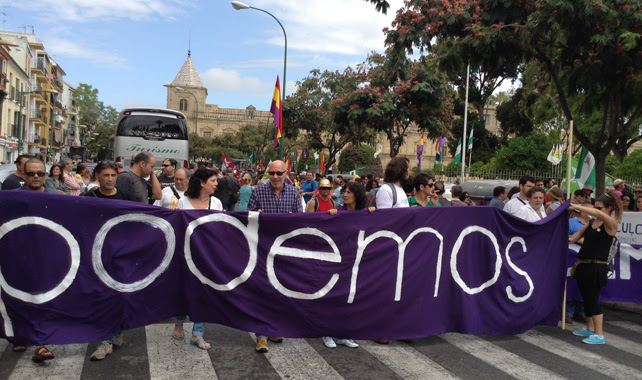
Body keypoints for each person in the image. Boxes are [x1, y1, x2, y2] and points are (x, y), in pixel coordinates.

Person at [246, 160, 302, 352]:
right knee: (262, 292)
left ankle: (274, 327)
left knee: (280, 292)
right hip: (261, 251)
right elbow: (248, 218)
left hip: (284, 254)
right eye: (272, 173)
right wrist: (255, 216)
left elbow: (301, 222)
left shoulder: (295, 193)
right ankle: (261, 335)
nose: (276, 177)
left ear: (287, 173)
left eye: (279, 173)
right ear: (267, 174)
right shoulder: (258, 192)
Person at [172, 167, 222, 351]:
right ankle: (178, 323)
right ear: (202, 182)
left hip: (207, 257)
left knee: (203, 294)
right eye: (213, 180)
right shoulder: (182, 202)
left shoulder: (216, 203)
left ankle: (197, 334)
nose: (217, 184)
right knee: (183, 291)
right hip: (184, 256)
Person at [12, 158, 57, 361]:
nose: (36, 176)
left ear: (46, 175)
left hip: (46, 256)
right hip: (16, 256)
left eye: (40, 173)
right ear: (24, 174)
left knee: (43, 299)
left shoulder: (57, 199)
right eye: (31, 173)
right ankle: (19, 334)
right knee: (18, 297)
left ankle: (41, 344)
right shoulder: (11, 199)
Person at [569, 192, 623, 344]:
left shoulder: (611, 223)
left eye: (599, 207)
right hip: (583, 264)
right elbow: (574, 237)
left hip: (597, 267)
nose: (596, 210)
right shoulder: (591, 223)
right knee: (586, 298)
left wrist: (576, 206)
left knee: (593, 300)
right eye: (595, 206)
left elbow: (598, 213)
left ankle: (599, 335)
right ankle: (590, 329)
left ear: (610, 208)